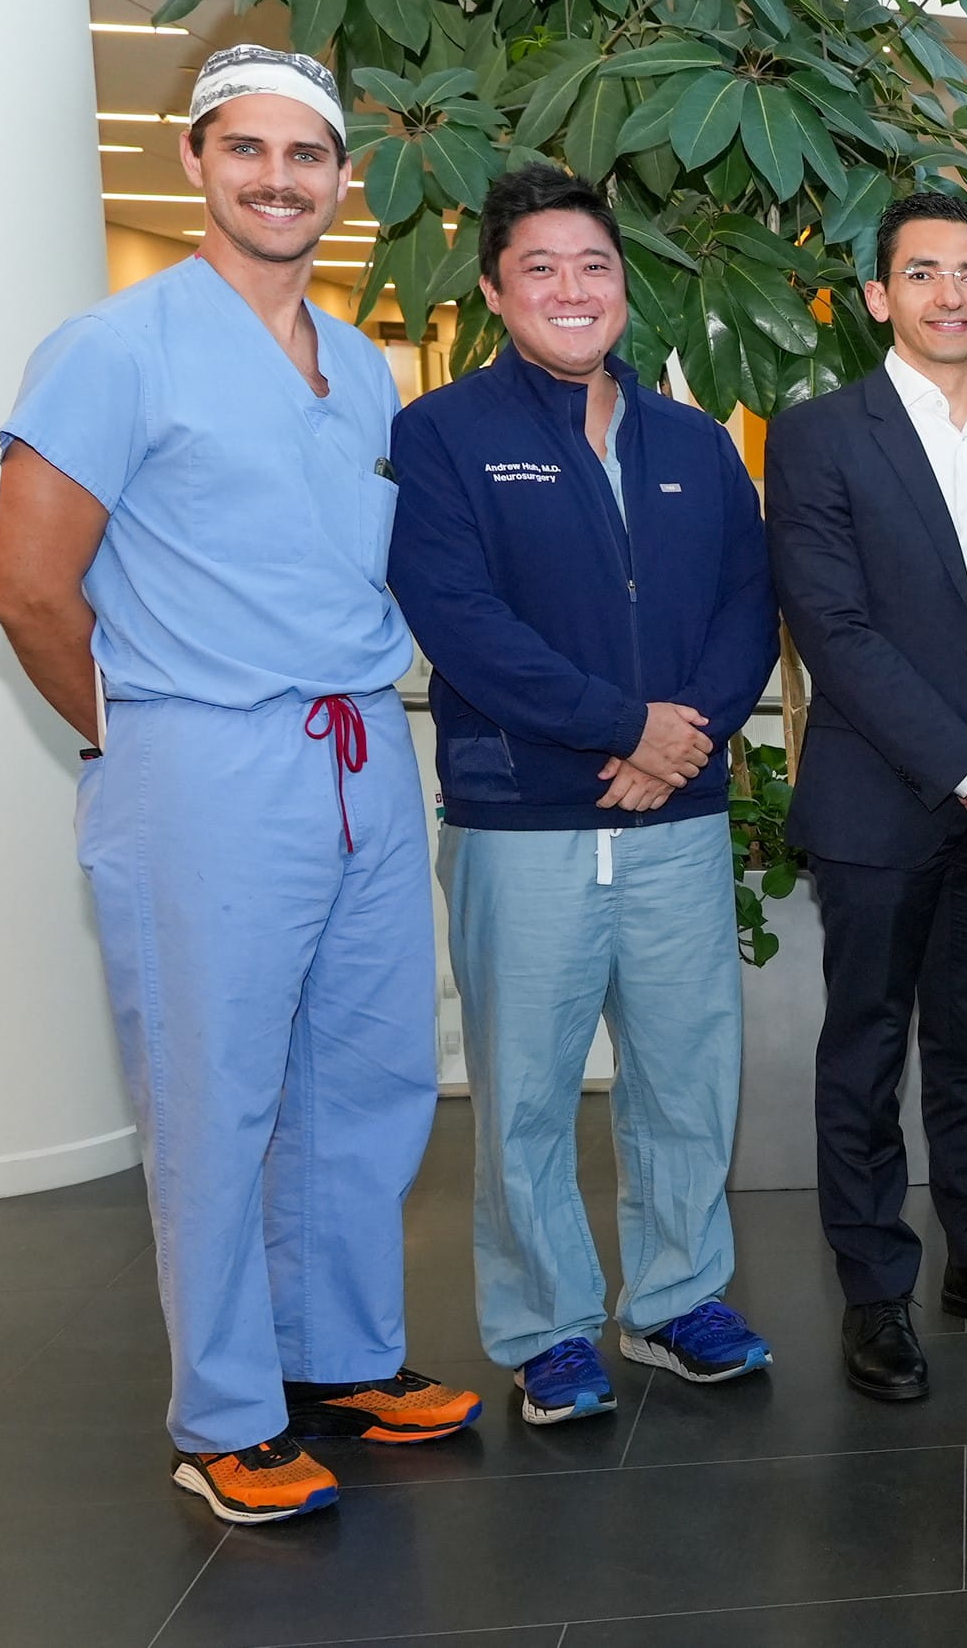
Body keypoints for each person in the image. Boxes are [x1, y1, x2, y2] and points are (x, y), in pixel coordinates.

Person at [0, 45, 479, 1523]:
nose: (279, 178)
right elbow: (28, 590)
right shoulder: (114, 348)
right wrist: (130, 737)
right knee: (213, 1096)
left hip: (360, 753)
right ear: (196, 161)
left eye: (306, 154)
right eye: (247, 149)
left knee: (369, 1073)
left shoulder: (363, 366)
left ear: (342, 179)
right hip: (203, 761)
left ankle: (339, 1357)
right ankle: (224, 1415)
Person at [388, 165, 778, 1425]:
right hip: (525, 819)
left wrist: (682, 738)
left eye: (594, 265)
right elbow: (460, 620)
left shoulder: (695, 443)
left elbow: (747, 608)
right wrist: (625, 726)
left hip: (679, 818)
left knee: (686, 1074)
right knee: (524, 1090)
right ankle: (547, 1326)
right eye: (541, 268)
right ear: (496, 292)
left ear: (624, 285)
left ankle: (677, 1297)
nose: (572, 288)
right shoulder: (444, 435)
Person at [765, 191, 967, 1398]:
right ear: (877, 296)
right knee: (865, 1045)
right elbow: (834, 630)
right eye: (923, 272)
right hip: (885, 794)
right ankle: (874, 1289)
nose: (951, 294)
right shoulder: (818, 437)